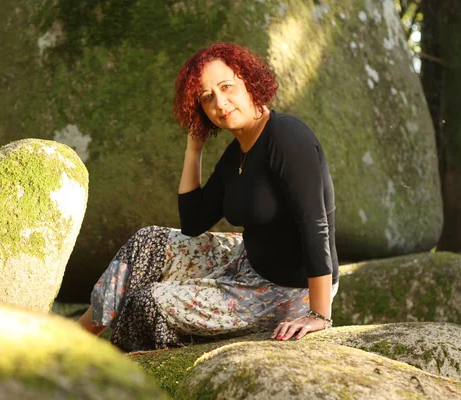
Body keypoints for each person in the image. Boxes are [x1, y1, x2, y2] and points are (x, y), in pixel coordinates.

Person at [78, 43, 338, 352]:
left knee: (146, 304)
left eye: (227, 87)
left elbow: (315, 224)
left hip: (290, 289)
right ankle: (73, 339)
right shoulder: (237, 151)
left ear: (249, 82)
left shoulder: (287, 137)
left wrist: (319, 315)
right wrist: (194, 149)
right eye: (207, 97)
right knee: (147, 242)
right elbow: (193, 222)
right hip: (248, 260)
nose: (220, 102)